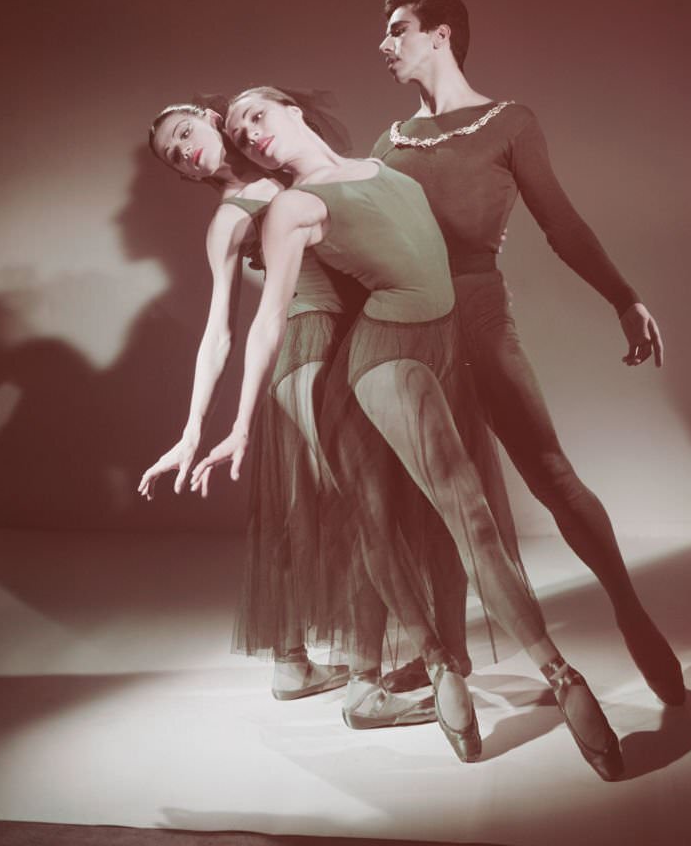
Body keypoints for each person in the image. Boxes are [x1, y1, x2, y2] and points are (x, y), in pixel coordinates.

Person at [191, 86, 624, 777]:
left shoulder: (384, 169)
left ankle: (545, 672)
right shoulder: (290, 207)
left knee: (467, 520)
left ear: (292, 109)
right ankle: (456, 664)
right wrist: (237, 424)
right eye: (240, 133)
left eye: (257, 116)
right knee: (408, 519)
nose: (250, 134)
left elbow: (435, 248)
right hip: (384, 357)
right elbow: (268, 319)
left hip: (438, 348)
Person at [372, 0, 685, 706]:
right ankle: (444, 653)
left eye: (397, 31)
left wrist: (623, 298)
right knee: (430, 499)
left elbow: (561, 225)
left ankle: (631, 617)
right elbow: (363, 231)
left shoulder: (507, 120)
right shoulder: (388, 142)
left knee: (549, 473)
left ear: (440, 36)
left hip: (478, 317)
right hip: (409, 326)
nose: (384, 46)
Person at [138, 101, 354, 701]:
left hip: (362, 335)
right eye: (174, 157)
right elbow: (220, 331)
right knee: (309, 502)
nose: (186, 151)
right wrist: (192, 429)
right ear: (184, 175)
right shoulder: (230, 219)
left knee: (342, 495)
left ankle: (365, 652)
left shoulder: (290, 162)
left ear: (211, 117)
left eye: (185, 134)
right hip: (308, 349)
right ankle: (301, 658)